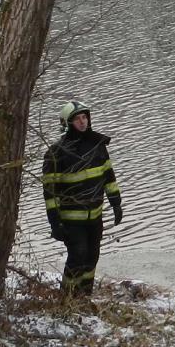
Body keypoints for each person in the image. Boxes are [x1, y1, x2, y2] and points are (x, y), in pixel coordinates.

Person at [41, 99, 124, 298]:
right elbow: (50, 194)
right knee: (77, 256)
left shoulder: (98, 146)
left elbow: (109, 177)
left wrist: (116, 203)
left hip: (95, 217)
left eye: (84, 117)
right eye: (77, 119)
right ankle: (68, 298)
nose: (82, 122)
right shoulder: (56, 153)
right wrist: (55, 224)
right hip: (71, 220)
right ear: (67, 123)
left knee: (92, 257)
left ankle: (84, 296)